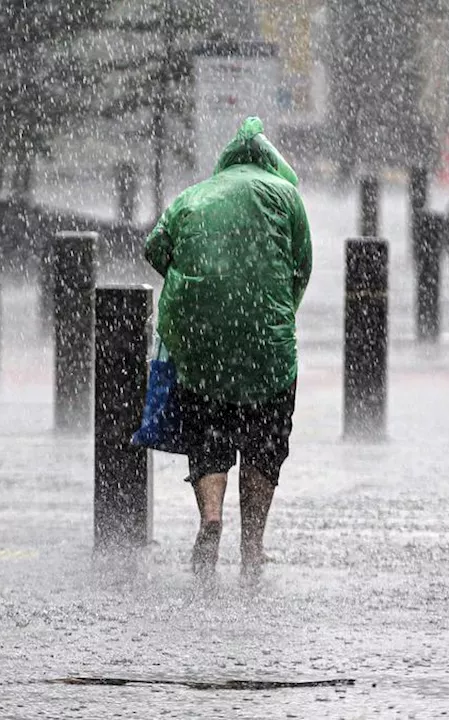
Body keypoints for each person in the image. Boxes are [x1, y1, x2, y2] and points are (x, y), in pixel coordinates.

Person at [143, 116, 312, 582]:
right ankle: (252, 547)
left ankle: (211, 518)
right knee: (264, 441)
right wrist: (274, 313)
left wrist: (201, 290)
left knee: (210, 435)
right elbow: (301, 267)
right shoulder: (286, 196)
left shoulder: (194, 196)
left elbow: (156, 249)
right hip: (267, 348)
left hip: (203, 345)